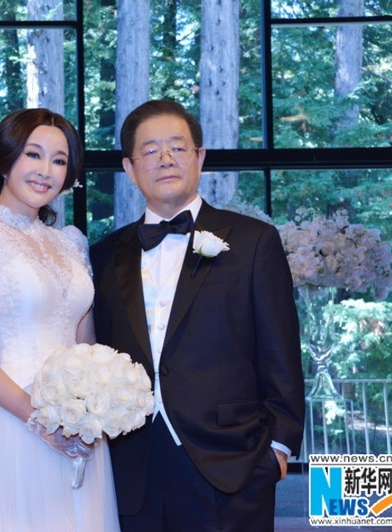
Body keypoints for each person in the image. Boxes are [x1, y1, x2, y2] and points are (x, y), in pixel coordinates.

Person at [90, 99, 305, 531]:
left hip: (231, 463)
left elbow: (280, 351)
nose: (165, 159)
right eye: (150, 150)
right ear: (130, 168)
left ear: (199, 157)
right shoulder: (105, 255)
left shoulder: (253, 241)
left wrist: (278, 449)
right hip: (132, 466)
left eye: (177, 147)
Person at [0, 108, 120, 531]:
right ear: (4, 160)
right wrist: (38, 419)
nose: (46, 171)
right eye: (33, 154)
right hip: (9, 420)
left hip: (76, 426)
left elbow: (84, 344)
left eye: (59, 160)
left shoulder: (71, 244)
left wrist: (95, 406)